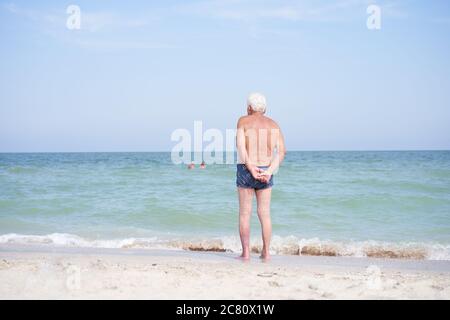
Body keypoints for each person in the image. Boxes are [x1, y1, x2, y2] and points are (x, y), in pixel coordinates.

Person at [236, 93, 286, 261]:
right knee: (264, 213)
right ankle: (266, 253)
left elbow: (241, 147)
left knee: (245, 213)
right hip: (266, 169)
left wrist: (250, 167)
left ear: (249, 107)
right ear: (264, 108)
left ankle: (246, 253)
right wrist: (269, 171)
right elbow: (281, 152)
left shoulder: (243, 121)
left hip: (246, 168)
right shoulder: (274, 124)